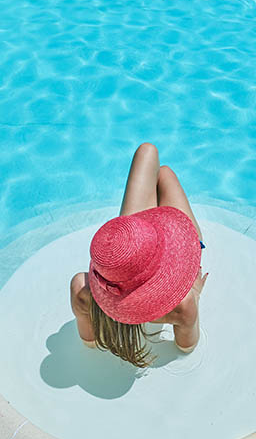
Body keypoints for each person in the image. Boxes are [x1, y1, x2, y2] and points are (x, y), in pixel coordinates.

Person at [70, 143, 208, 367]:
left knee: (148, 152)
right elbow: (186, 348)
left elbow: (90, 343)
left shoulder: (81, 289)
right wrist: (195, 292)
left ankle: (134, 247)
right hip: (147, 246)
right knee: (164, 173)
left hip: (135, 247)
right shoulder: (183, 305)